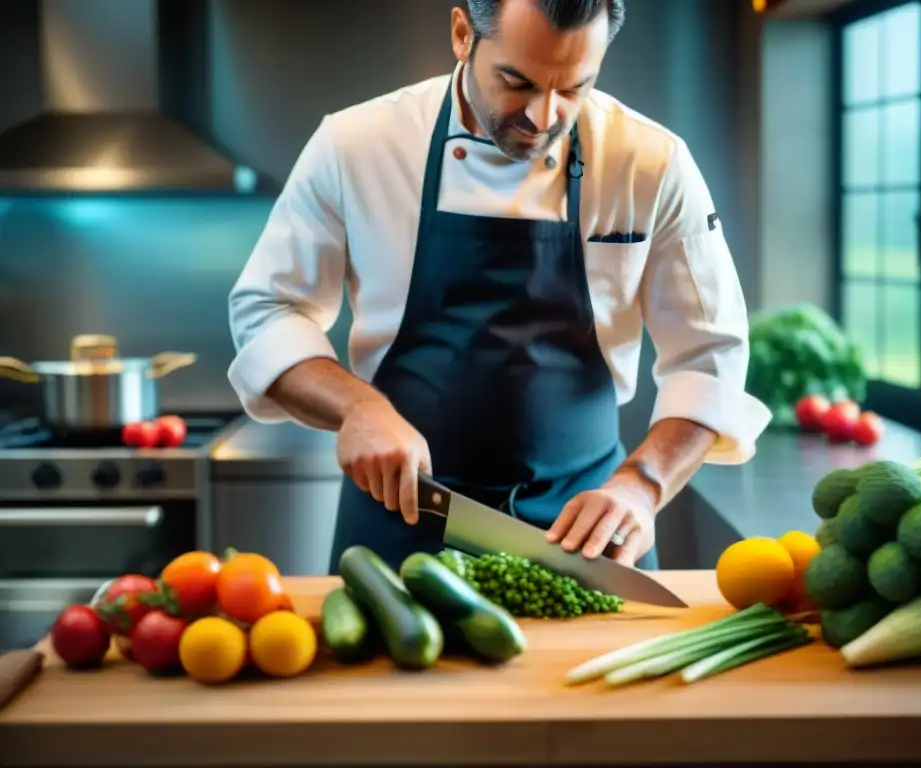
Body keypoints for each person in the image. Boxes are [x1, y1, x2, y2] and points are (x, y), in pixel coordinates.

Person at [227, 0, 771, 574]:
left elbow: (710, 355)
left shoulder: (651, 162)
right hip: (402, 521)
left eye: (574, 89)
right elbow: (269, 310)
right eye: (518, 82)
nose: (543, 117)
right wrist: (357, 407)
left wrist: (642, 485)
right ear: (463, 33)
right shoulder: (355, 145)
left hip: (585, 529)